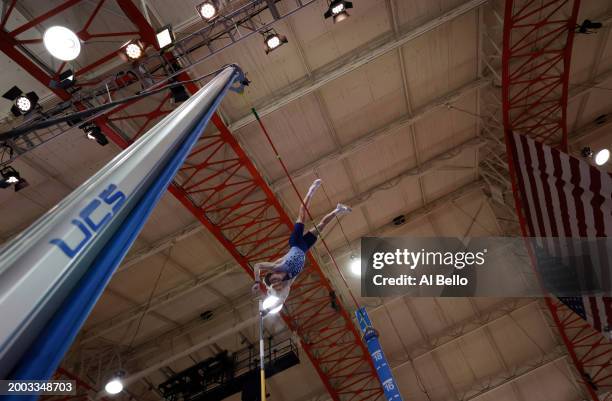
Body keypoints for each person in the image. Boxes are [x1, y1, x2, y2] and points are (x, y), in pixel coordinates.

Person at [252, 179, 351, 303]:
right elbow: (282, 298)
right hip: (304, 248)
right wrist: (269, 306)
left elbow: (257, 265)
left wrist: (257, 281)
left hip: (295, 242)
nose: (276, 281)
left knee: (302, 215)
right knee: (321, 226)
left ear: (272, 274)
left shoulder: (277, 266)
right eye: (276, 284)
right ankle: (338, 210)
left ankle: (311, 190)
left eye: (272, 280)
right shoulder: (289, 279)